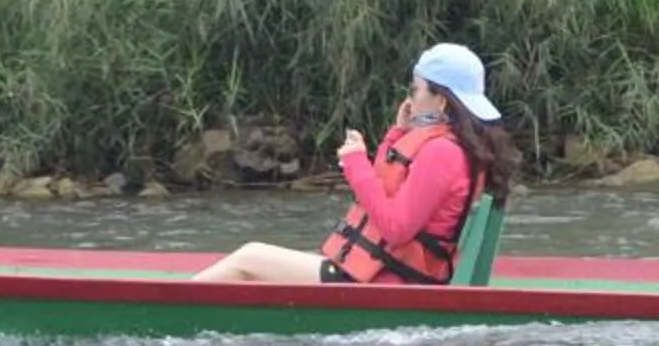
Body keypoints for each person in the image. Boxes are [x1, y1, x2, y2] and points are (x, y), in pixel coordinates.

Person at [194, 43, 517, 285]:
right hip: (385, 272)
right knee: (261, 261)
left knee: (249, 257)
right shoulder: (451, 146)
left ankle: (166, 302)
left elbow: (396, 227)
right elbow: (388, 184)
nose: (410, 98)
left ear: (441, 100)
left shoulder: (442, 153)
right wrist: (397, 133)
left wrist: (355, 164)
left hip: (388, 282)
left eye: (415, 90)